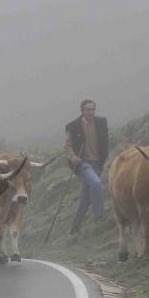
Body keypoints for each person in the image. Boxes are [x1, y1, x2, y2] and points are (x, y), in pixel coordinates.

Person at [63, 99, 109, 234]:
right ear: (82, 111)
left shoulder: (101, 122)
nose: (91, 112)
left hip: (97, 163)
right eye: (88, 110)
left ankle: (75, 227)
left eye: (92, 109)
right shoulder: (73, 126)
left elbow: (105, 142)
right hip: (83, 163)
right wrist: (73, 157)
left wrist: (103, 160)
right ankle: (99, 216)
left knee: (86, 197)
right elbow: (66, 147)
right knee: (96, 184)